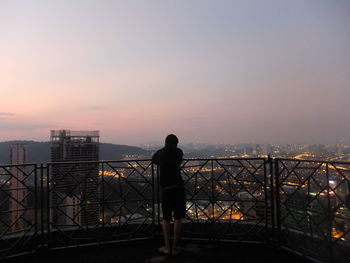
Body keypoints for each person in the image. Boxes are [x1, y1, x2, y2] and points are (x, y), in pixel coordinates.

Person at [152, 134, 185, 256]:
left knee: (166, 218)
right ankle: (175, 248)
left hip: (166, 189)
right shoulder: (179, 152)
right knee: (178, 218)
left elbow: (153, 159)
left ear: (165, 142)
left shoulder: (161, 153)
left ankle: (167, 247)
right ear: (177, 143)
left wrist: (163, 149)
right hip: (179, 188)